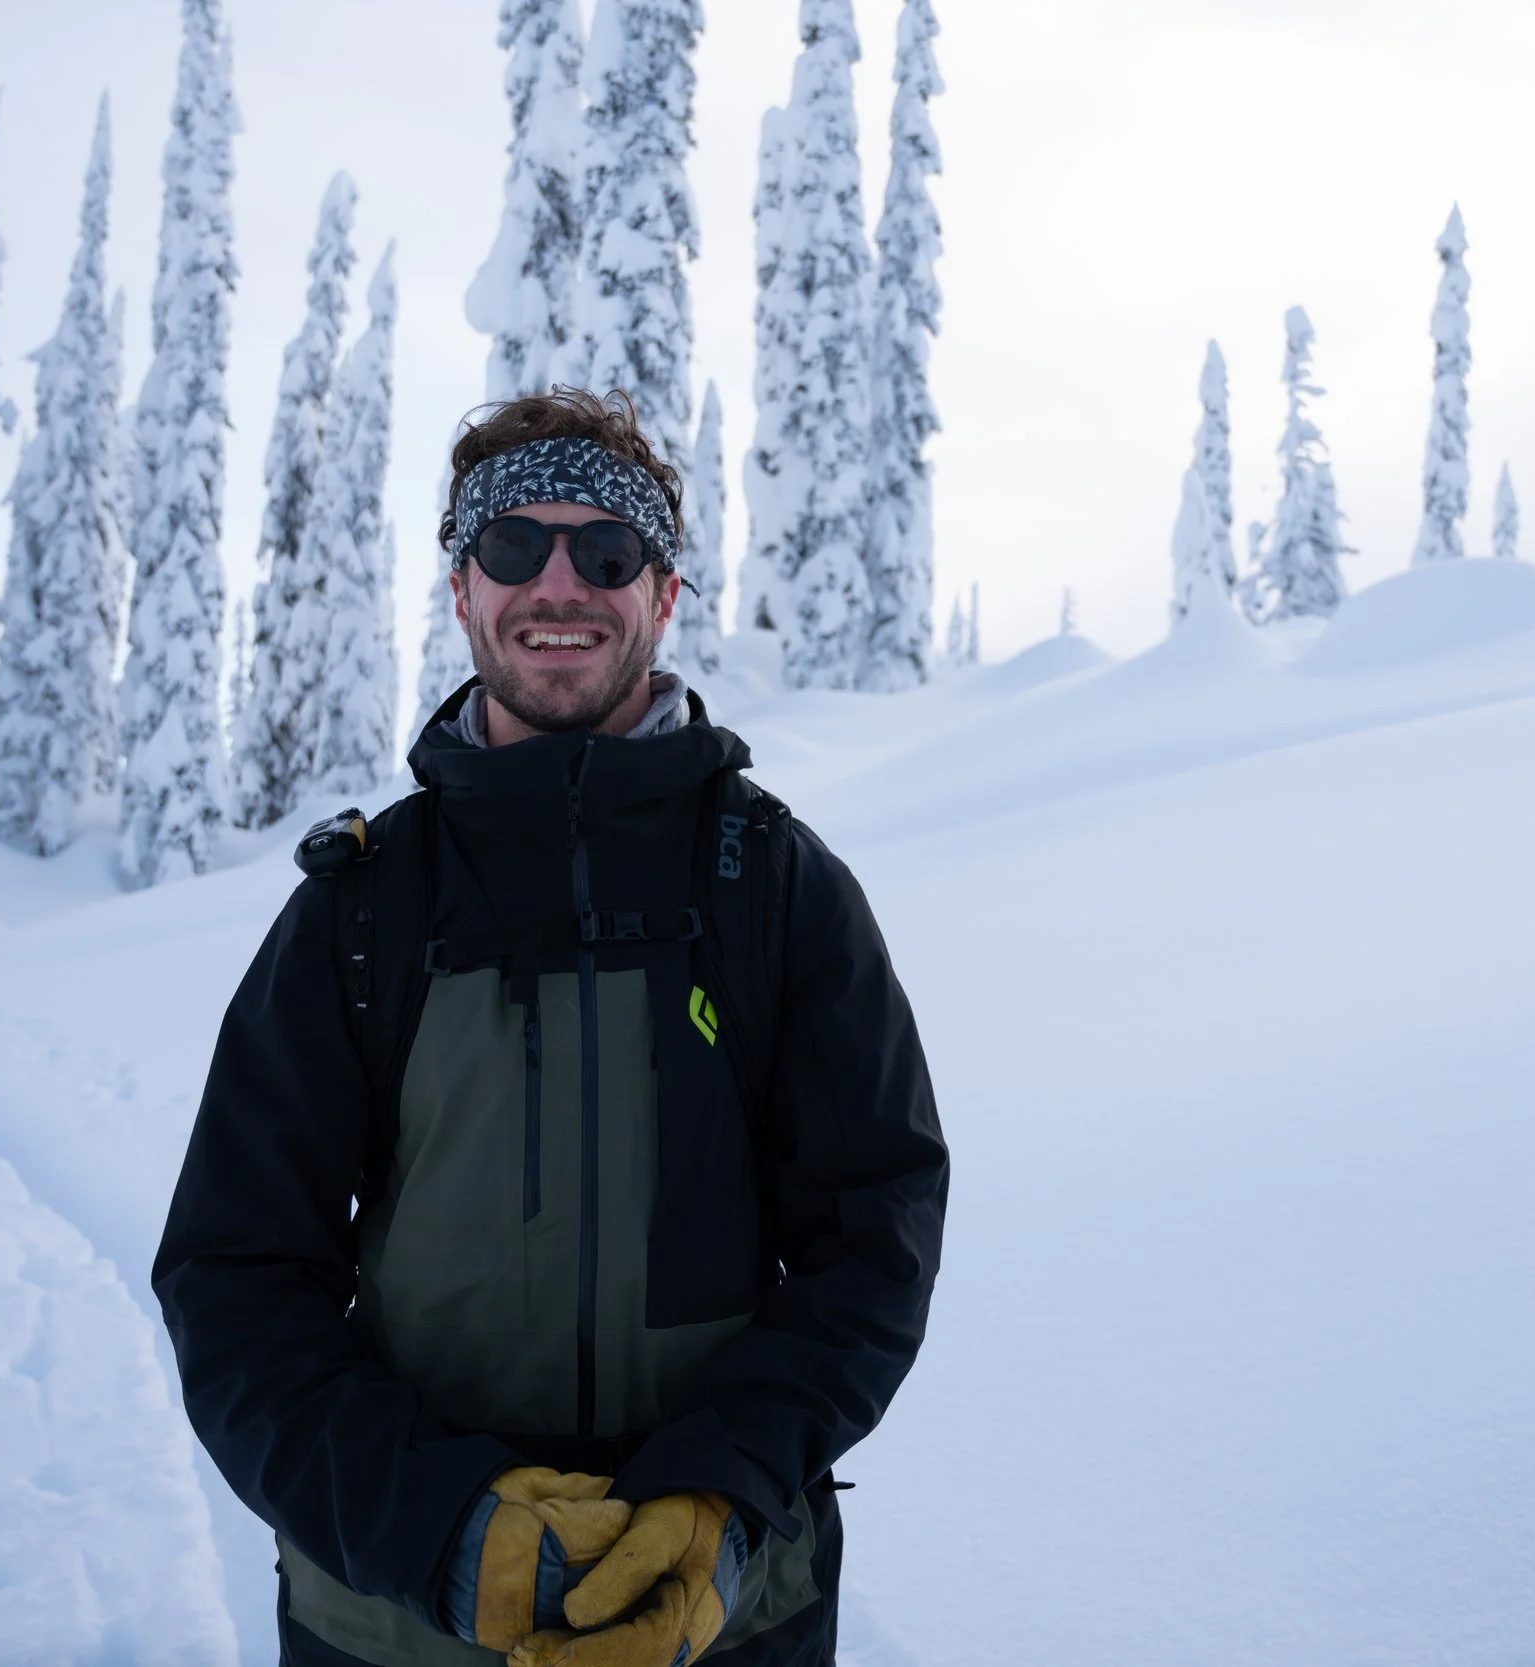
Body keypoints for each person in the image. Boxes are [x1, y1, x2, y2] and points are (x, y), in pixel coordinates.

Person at [154, 389, 948, 1667]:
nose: (559, 582)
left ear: (666, 592)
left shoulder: (777, 887)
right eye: (514, 546)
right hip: (398, 1624)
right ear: (463, 591)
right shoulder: (362, 909)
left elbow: (876, 1246)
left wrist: (721, 1500)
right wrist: (432, 1527)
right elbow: (235, 1279)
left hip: (727, 1618)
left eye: (608, 549)